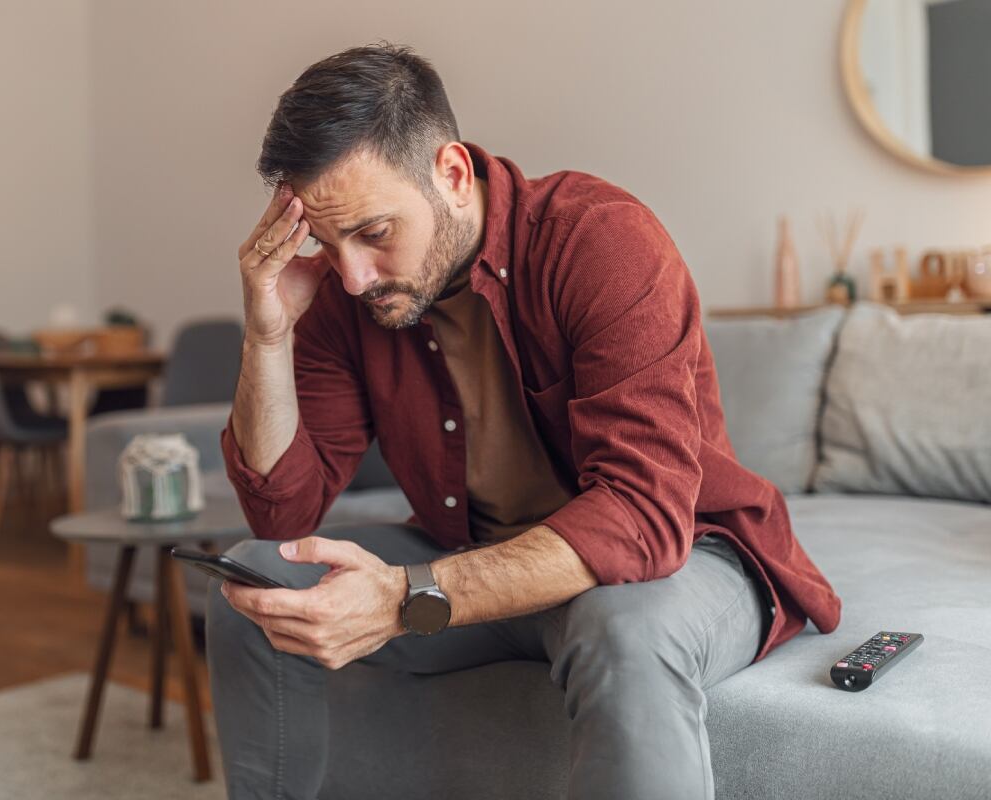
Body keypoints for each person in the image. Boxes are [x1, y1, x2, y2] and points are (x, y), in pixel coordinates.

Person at [207, 41, 841, 800]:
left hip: (680, 557)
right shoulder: (352, 296)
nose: (352, 276)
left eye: (374, 233)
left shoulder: (598, 238)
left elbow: (642, 514)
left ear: (451, 174)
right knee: (260, 584)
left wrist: (408, 596)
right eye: (327, 242)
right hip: (476, 553)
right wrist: (268, 335)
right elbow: (281, 514)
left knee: (622, 629)